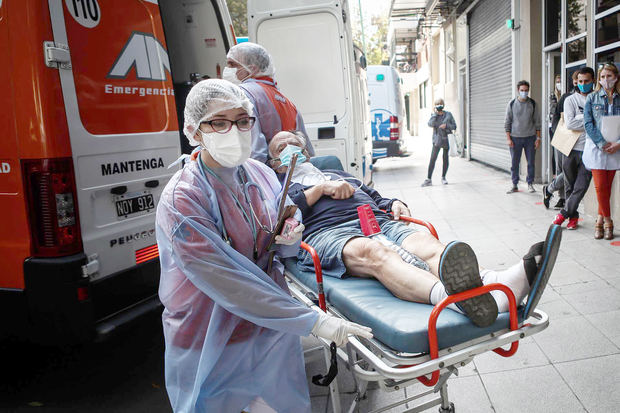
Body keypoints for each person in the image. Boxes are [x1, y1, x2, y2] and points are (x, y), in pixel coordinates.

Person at [155, 79, 372, 413]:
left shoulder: (259, 173)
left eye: (243, 121)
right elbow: (227, 281)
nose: (235, 131)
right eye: (220, 122)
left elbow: (275, 250)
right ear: (194, 132)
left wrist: (288, 234)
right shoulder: (183, 200)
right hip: (208, 333)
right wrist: (314, 321)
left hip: (267, 327)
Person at [268, 131, 559, 329]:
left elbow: (373, 195)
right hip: (329, 233)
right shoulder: (276, 187)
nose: (291, 149)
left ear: (306, 151)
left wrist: (394, 203)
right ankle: (456, 301)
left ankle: (498, 282)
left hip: (374, 219)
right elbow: (278, 220)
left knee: (423, 242)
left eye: (295, 144)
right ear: (273, 162)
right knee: (373, 252)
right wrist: (319, 190)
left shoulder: (338, 173)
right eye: (282, 147)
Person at [222, 42, 315, 163]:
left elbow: (255, 149)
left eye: (232, 64)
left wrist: (259, 177)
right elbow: (308, 151)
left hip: (267, 174)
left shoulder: (243, 94)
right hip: (293, 172)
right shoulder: (287, 102)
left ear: (252, 68)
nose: (228, 68)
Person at [551, 67, 595, 230]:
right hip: (570, 149)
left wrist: (581, 119)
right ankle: (573, 217)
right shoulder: (570, 100)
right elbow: (570, 123)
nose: (583, 84)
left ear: (593, 81)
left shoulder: (596, 98)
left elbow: (600, 122)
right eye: (580, 81)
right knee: (569, 185)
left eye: (587, 81)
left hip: (590, 150)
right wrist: (590, 119)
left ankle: (563, 213)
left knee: (581, 186)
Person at [583, 63, 620, 240]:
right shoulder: (591, 98)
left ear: (616, 77)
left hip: (615, 148)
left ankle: (598, 220)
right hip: (597, 147)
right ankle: (608, 221)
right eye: (603, 77)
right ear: (599, 79)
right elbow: (588, 124)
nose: (606, 80)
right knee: (599, 187)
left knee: (607, 187)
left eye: (609, 76)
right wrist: (601, 143)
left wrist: (618, 144)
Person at [544, 72, 580, 209]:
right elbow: (556, 119)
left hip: (581, 142)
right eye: (577, 80)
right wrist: (557, 137)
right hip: (565, 140)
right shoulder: (566, 98)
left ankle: (550, 190)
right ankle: (562, 197)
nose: (579, 83)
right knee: (564, 170)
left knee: (572, 171)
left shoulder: (589, 98)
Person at [505, 80, 542, 193]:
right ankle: (514, 184)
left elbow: (537, 122)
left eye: (526, 90)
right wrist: (508, 138)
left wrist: (538, 138)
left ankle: (530, 183)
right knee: (514, 162)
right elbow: (507, 122)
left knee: (531, 162)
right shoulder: (511, 104)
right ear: (518, 90)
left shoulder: (533, 104)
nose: (524, 92)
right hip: (515, 138)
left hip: (530, 137)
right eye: (522, 90)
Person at [422, 99, 457, 186]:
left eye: (441, 103)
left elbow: (454, 126)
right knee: (432, 159)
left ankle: (443, 177)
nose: (439, 105)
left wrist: (447, 125)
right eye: (437, 104)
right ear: (435, 105)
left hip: (446, 139)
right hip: (437, 140)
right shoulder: (434, 115)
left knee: (445, 159)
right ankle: (428, 179)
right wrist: (435, 114)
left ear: (443, 105)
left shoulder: (448, 114)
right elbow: (430, 124)